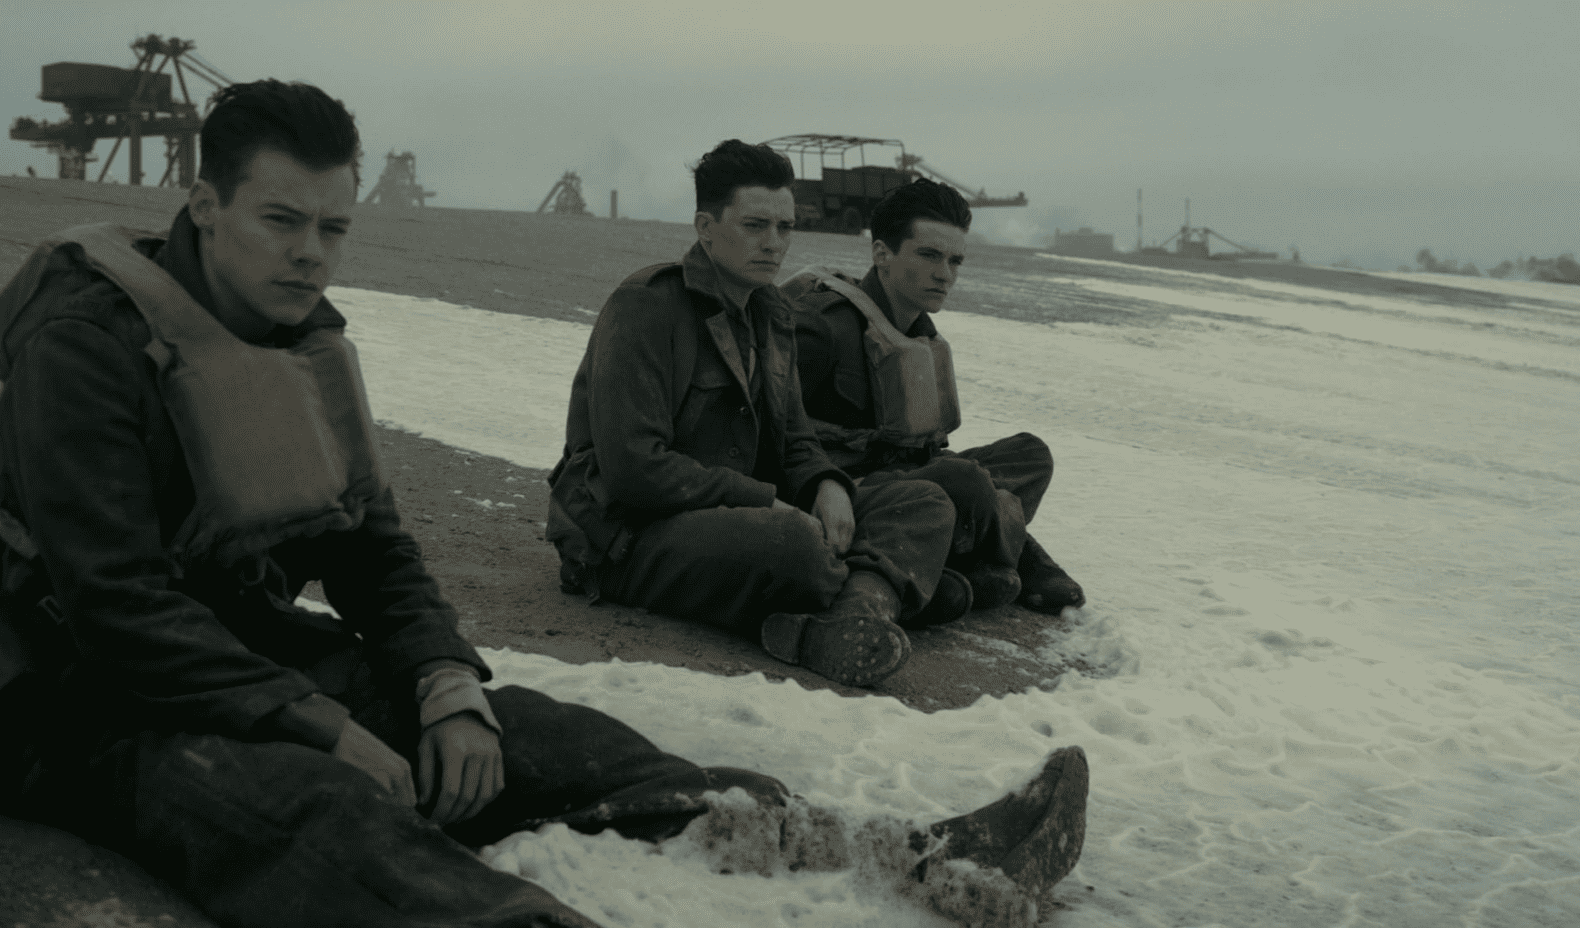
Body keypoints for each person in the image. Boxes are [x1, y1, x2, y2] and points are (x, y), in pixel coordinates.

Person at [0, 84, 1087, 928]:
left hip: (225, 633)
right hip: (63, 681)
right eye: (282, 220)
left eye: (332, 227)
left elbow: (374, 544)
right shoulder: (86, 339)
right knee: (307, 806)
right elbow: (114, 602)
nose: (310, 253)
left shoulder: (305, 332)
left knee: (536, 734)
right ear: (203, 204)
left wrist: (439, 679)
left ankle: (891, 850)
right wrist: (316, 721)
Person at [548, 140, 972, 689]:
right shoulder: (646, 307)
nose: (774, 244)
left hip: (739, 513)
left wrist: (825, 485)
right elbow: (635, 470)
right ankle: (879, 590)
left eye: (786, 228)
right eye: (754, 225)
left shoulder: (771, 312)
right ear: (706, 226)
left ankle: (852, 613)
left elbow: (795, 438)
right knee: (794, 546)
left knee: (924, 501)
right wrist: (764, 501)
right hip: (629, 536)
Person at [785, 179, 1086, 614]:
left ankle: (960, 563)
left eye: (954, 261)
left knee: (1030, 456)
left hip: (916, 484)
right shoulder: (824, 326)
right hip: (850, 498)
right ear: (882, 254)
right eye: (929, 255)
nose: (944, 274)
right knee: (963, 482)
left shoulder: (920, 335)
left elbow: (927, 448)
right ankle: (1008, 559)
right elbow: (768, 430)